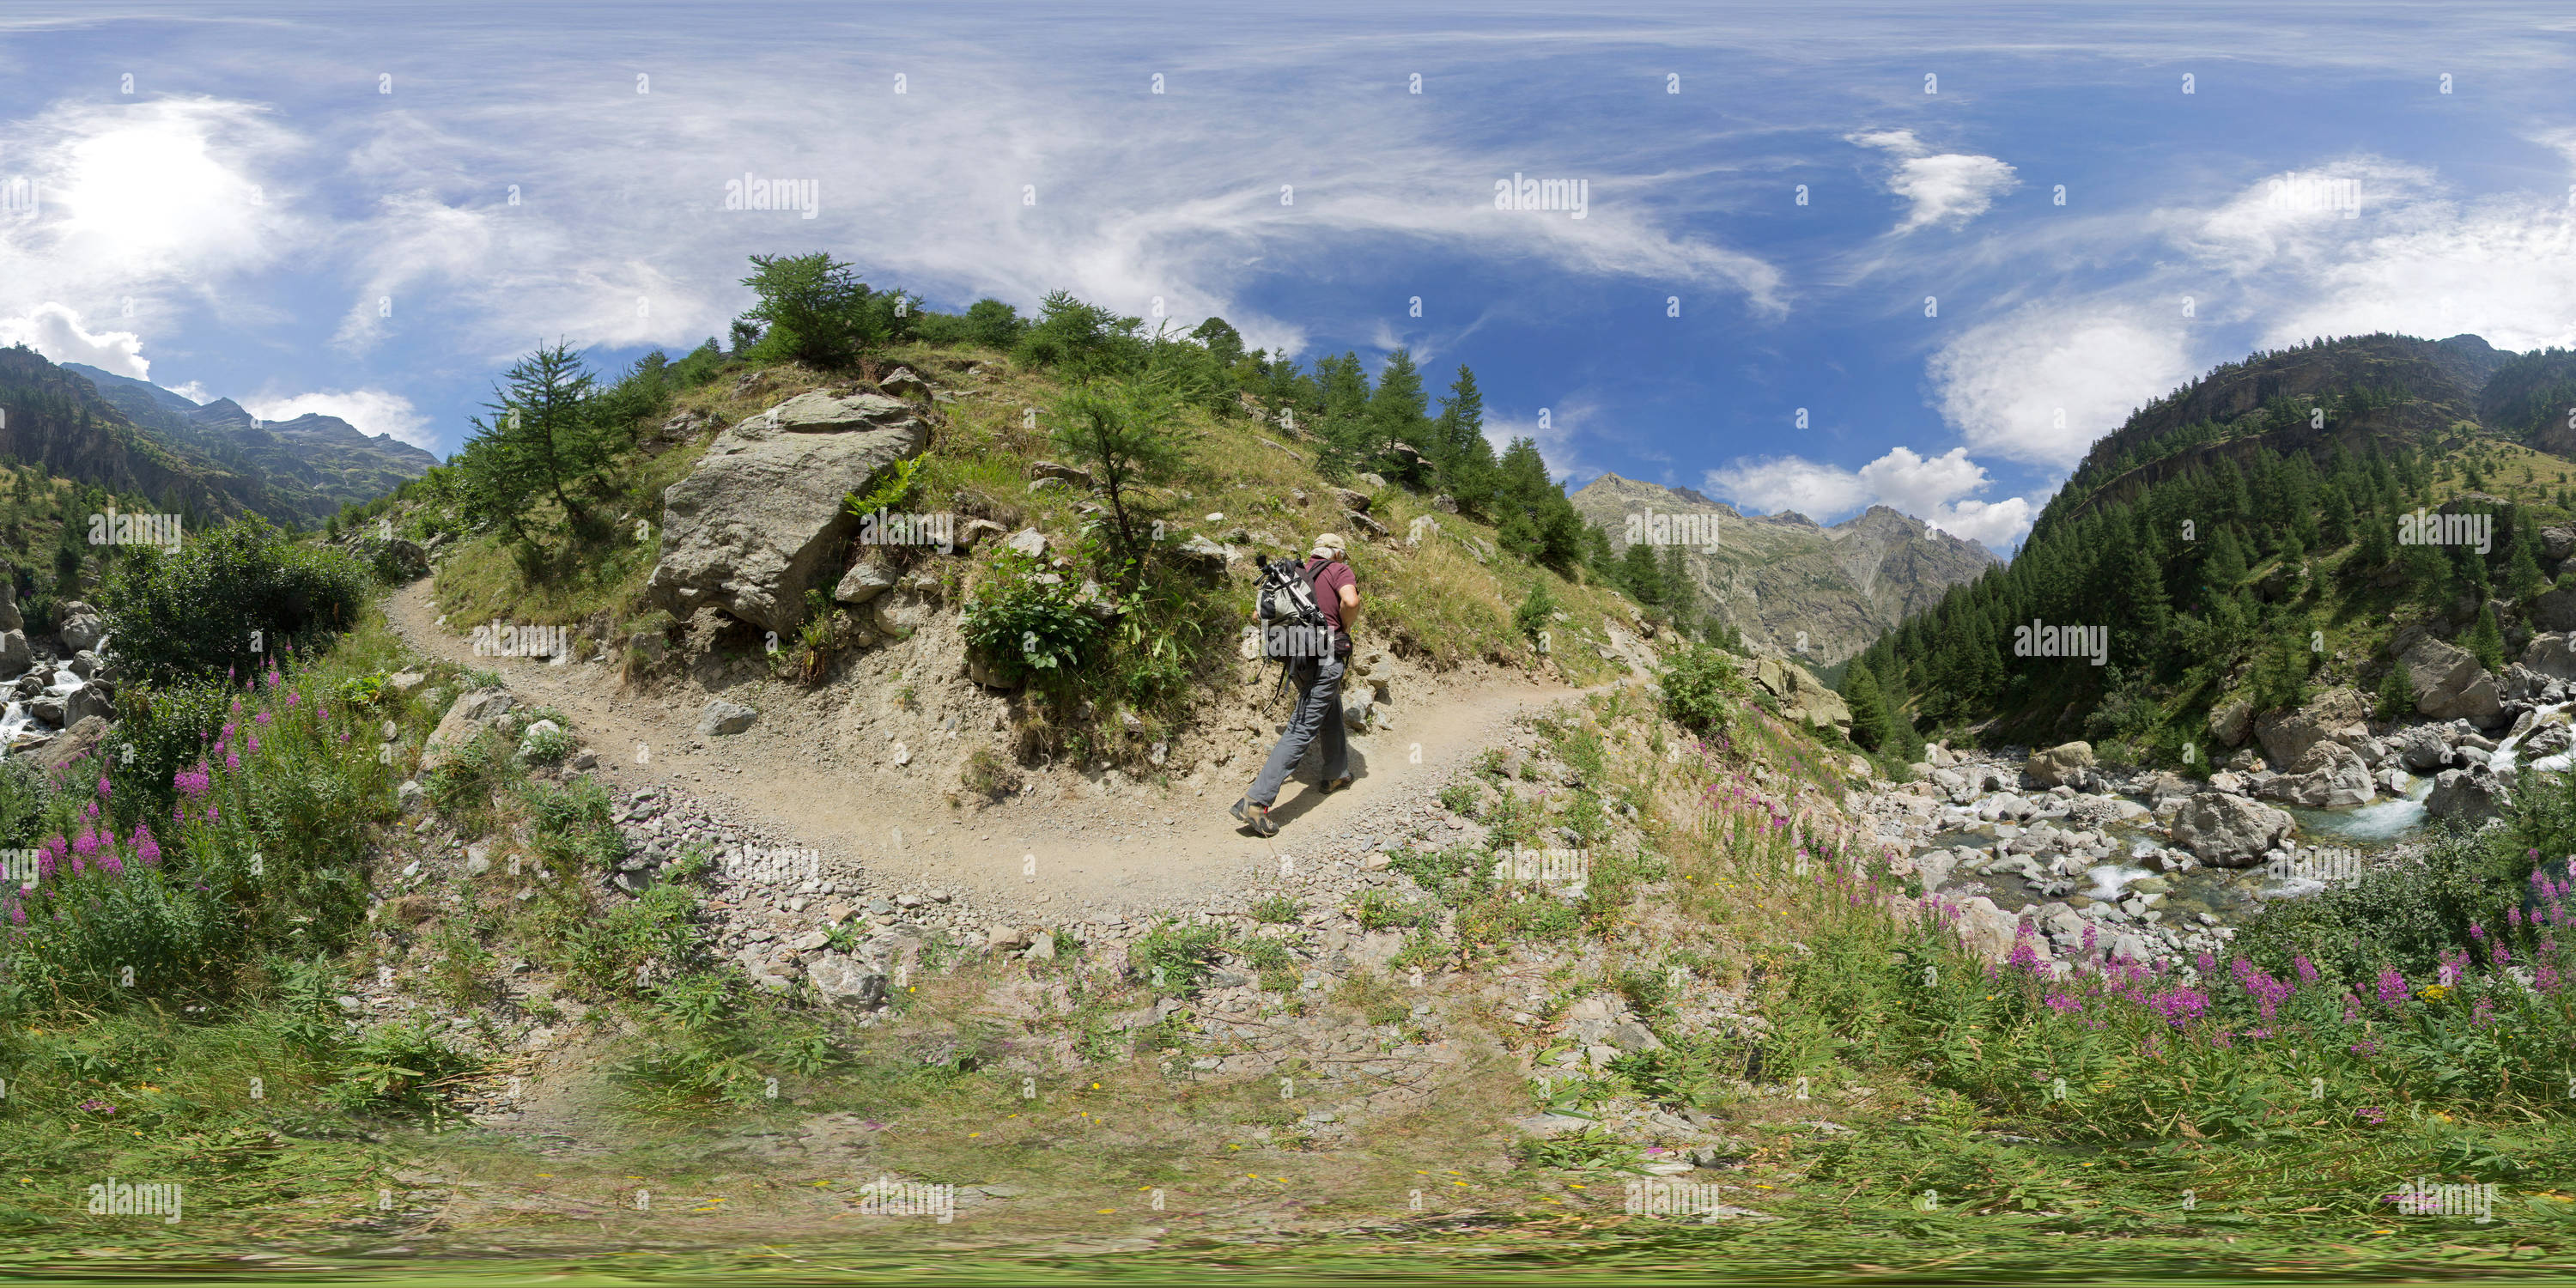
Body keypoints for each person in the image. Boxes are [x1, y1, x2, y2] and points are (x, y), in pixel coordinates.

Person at [1232, 533, 1358, 836]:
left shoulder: (1294, 575)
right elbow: (1350, 600)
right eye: (1343, 555)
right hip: (1326, 654)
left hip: (1296, 657)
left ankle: (1336, 773)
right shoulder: (1338, 570)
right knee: (1302, 727)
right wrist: (1343, 627)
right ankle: (1256, 801)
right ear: (1337, 554)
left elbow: (1258, 615)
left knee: (1329, 707)